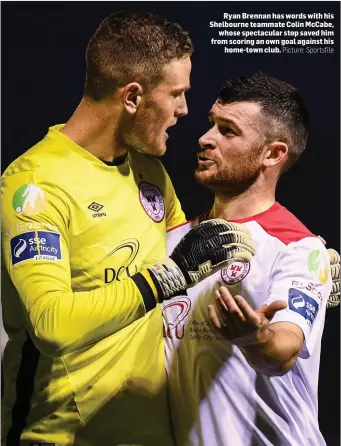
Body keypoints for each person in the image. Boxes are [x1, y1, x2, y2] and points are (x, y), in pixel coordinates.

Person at [1, 12, 256, 446]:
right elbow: (52, 324)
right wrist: (166, 278)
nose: (184, 110)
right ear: (133, 97)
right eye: (176, 94)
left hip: (154, 433)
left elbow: (193, 253)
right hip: (62, 437)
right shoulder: (33, 185)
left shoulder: (150, 173)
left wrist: (296, 270)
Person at [163, 73, 337, 446]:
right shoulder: (171, 243)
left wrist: (254, 338)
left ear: (272, 154)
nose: (205, 138)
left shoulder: (299, 248)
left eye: (228, 131)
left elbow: (283, 351)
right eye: (211, 123)